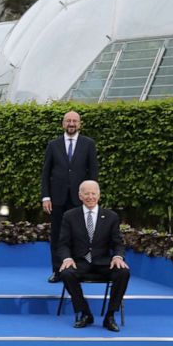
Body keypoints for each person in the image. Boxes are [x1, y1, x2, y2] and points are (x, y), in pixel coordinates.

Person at [57, 181, 129, 333]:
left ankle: (110, 316)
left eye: (93, 193)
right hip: (80, 262)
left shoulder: (111, 216)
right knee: (65, 273)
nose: (90, 197)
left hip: (103, 262)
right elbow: (63, 244)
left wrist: (118, 256)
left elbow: (118, 243)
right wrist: (67, 258)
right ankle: (85, 313)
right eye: (86, 193)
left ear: (99, 195)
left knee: (123, 272)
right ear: (80, 196)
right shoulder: (69, 216)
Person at [41, 111, 97, 282]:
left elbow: (93, 171)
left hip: (80, 199)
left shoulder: (88, 144)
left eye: (74, 121)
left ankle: (78, 271)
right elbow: (45, 173)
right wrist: (46, 197)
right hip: (57, 199)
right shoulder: (53, 145)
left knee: (81, 235)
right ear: (63, 124)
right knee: (57, 235)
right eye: (68, 121)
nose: (71, 123)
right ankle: (58, 271)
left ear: (79, 124)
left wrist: (91, 196)